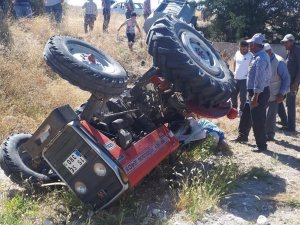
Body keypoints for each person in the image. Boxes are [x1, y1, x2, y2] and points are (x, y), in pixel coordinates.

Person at [233, 33, 272, 152]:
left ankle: (261, 145)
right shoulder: (257, 56)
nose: (249, 46)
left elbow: (259, 80)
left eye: (250, 44)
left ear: (254, 45)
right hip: (255, 93)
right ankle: (243, 136)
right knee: (246, 114)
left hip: (258, 93)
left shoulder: (261, 59)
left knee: (258, 119)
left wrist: (255, 97)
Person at [264, 43, 290, 141]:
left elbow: (286, 79)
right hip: (262, 92)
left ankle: (270, 135)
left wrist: (282, 93)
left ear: (269, 51)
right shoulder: (262, 59)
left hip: (275, 93)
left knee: (270, 115)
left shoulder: (279, 62)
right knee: (261, 114)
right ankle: (262, 132)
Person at [277, 34, 300, 132]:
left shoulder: (297, 50)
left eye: (286, 42)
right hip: (286, 82)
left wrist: (296, 83)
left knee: (290, 104)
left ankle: (291, 127)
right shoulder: (289, 51)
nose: (284, 44)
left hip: (292, 83)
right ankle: (284, 121)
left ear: (292, 41)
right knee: (278, 99)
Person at [231, 40, 252, 115]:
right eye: (240, 48)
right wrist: (234, 72)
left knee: (243, 96)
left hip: (244, 79)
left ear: (247, 48)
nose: (242, 50)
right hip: (236, 78)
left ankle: (241, 110)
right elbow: (235, 62)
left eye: (243, 49)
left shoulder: (250, 55)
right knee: (233, 95)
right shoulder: (237, 53)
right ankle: (234, 108)